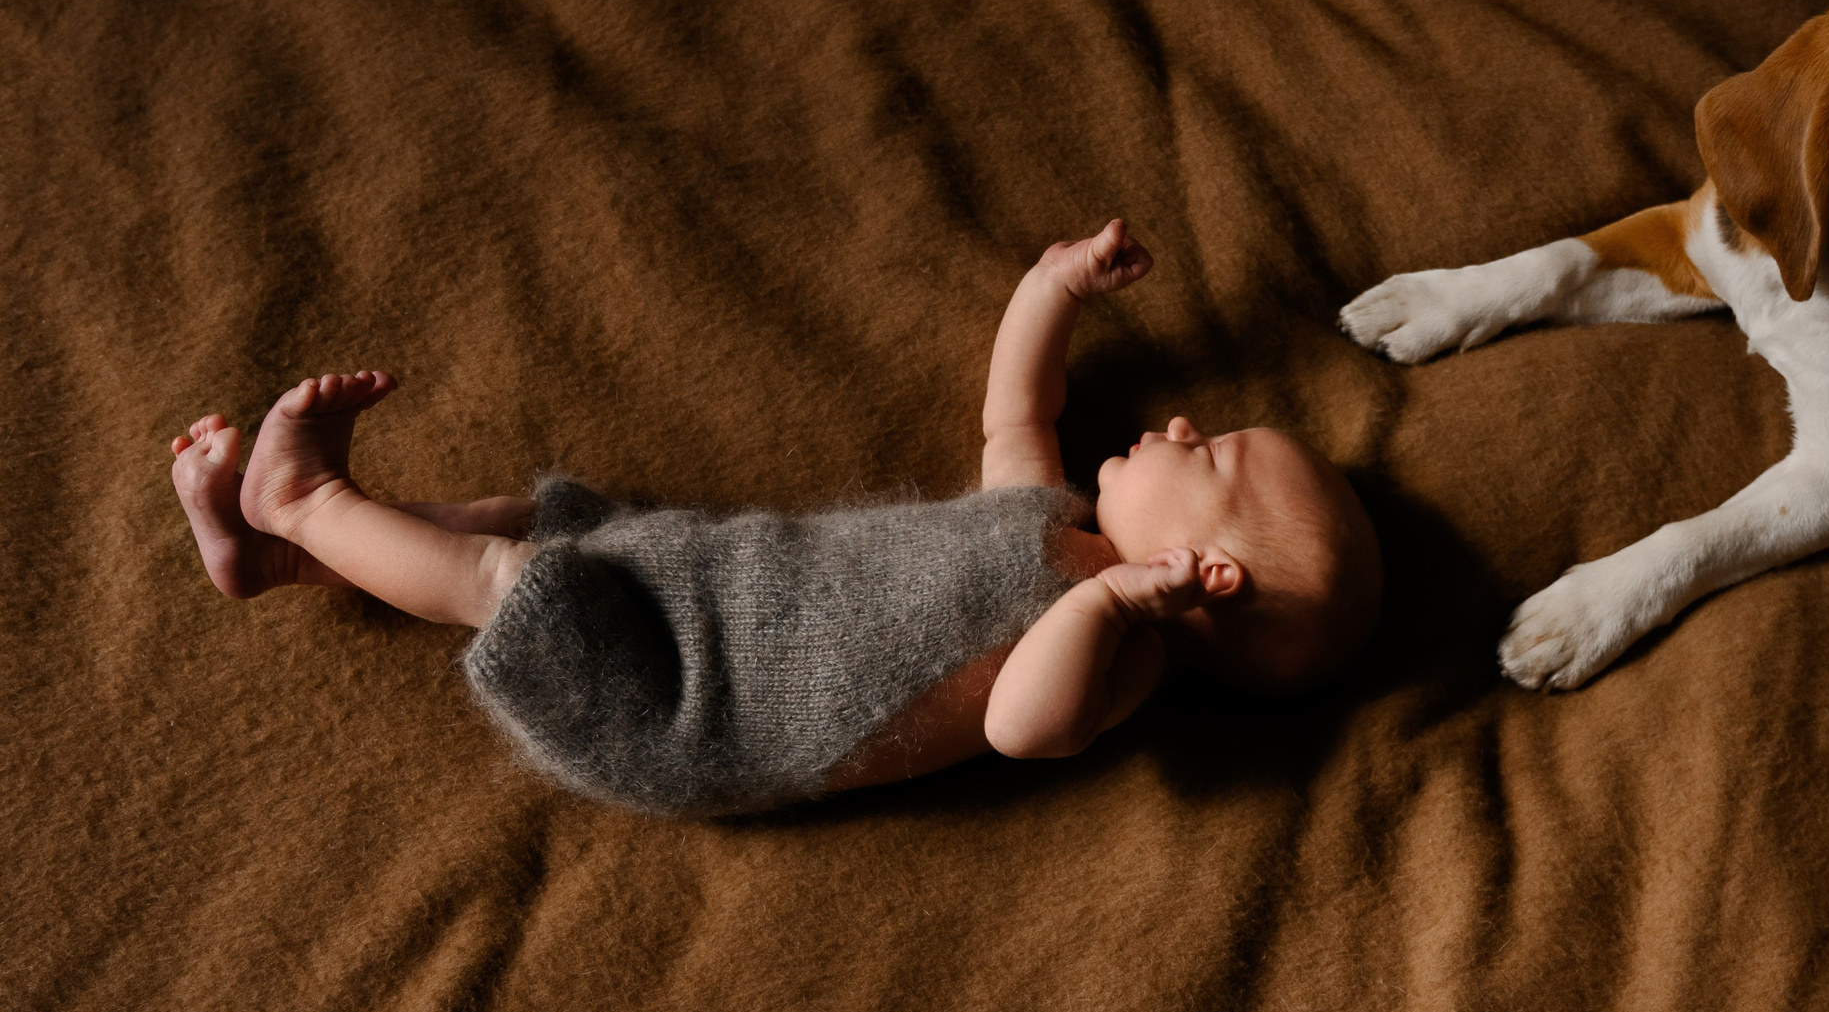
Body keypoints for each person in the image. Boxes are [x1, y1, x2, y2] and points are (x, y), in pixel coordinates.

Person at [168, 221, 1383, 814]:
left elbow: (1021, 725)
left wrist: (1116, 597)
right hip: (709, 591)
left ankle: (310, 503)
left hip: (704, 705)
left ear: (1204, 574)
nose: (1178, 427)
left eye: (1207, 451)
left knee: (504, 577)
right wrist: (1051, 288)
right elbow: (1018, 414)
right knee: (545, 526)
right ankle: (276, 554)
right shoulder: (1050, 521)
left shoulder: (1119, 656)